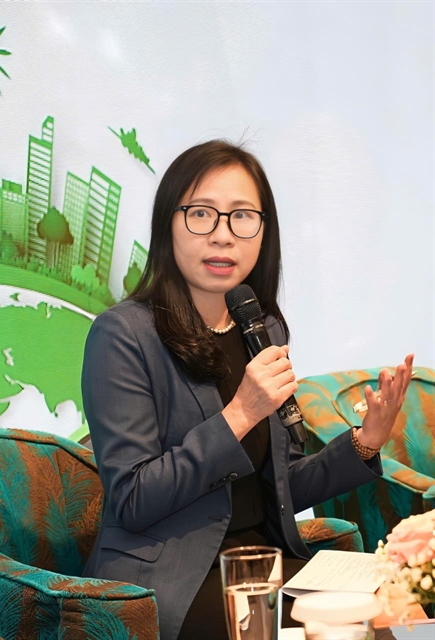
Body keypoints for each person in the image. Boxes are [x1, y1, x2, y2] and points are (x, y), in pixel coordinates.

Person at [81, 140, 413, 640]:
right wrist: (239, 414)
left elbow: (278, 487)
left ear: (263, 231)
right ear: (168, 224)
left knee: (378, 618)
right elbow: (133, 499)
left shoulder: (261, 329)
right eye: (201, 214)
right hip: (169, 579)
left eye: (241, 217)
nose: (223, 235)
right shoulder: (122, 335)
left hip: (261, 562)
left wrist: (366, 441)